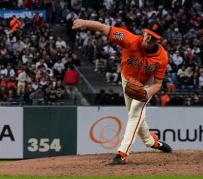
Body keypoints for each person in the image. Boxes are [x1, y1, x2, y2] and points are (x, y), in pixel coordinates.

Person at [71, 18, 172, 165]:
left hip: (145, 85)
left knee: (135, 113)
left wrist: (146, 93)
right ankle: (151, 142)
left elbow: (157, 84)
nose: (148, 38)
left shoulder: (162, 57)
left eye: (153, 38)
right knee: (135, 116)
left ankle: (122, 153)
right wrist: (85, 23)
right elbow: (102, 28)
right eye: (147, 34)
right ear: (144, 32)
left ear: (159, 40)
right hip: (127, 81)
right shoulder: (129, 39)